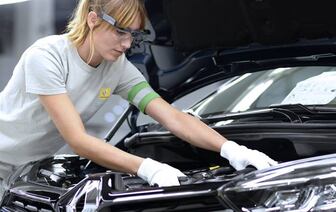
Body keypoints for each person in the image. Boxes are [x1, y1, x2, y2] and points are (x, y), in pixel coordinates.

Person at [0, 0, 277, 199]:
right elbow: (77, 139)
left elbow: (172, 117)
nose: (127, 44)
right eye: (121, 31)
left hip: (29, 167)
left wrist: (232, 149)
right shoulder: (47, 56)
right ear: (93, 19)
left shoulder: (118, 69)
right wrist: (148, 168)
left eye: (133, 35)